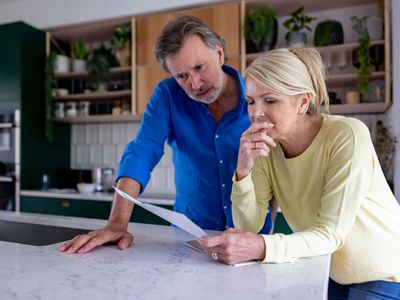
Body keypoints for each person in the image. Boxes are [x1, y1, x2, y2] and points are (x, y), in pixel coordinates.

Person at [60, 16, 273, 254]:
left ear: (219, 54)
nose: (194, 83)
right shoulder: (167, 96)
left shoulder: (259, 95)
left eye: (199, 67)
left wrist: (267, 232)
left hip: (252, 239)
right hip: (192, 237)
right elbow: (143, 150)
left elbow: (279, 167)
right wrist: (117, 223)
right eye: (181, 76)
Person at [198, 48, 400, 300]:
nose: (255, 112)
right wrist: (243, 170)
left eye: (270, 100)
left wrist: (262, 246)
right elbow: (249, 225)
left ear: (303, 102)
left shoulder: (347, 135)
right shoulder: (266, 145)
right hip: (326, 270)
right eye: (250, 101)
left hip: (383, 276)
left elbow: (330, 234)